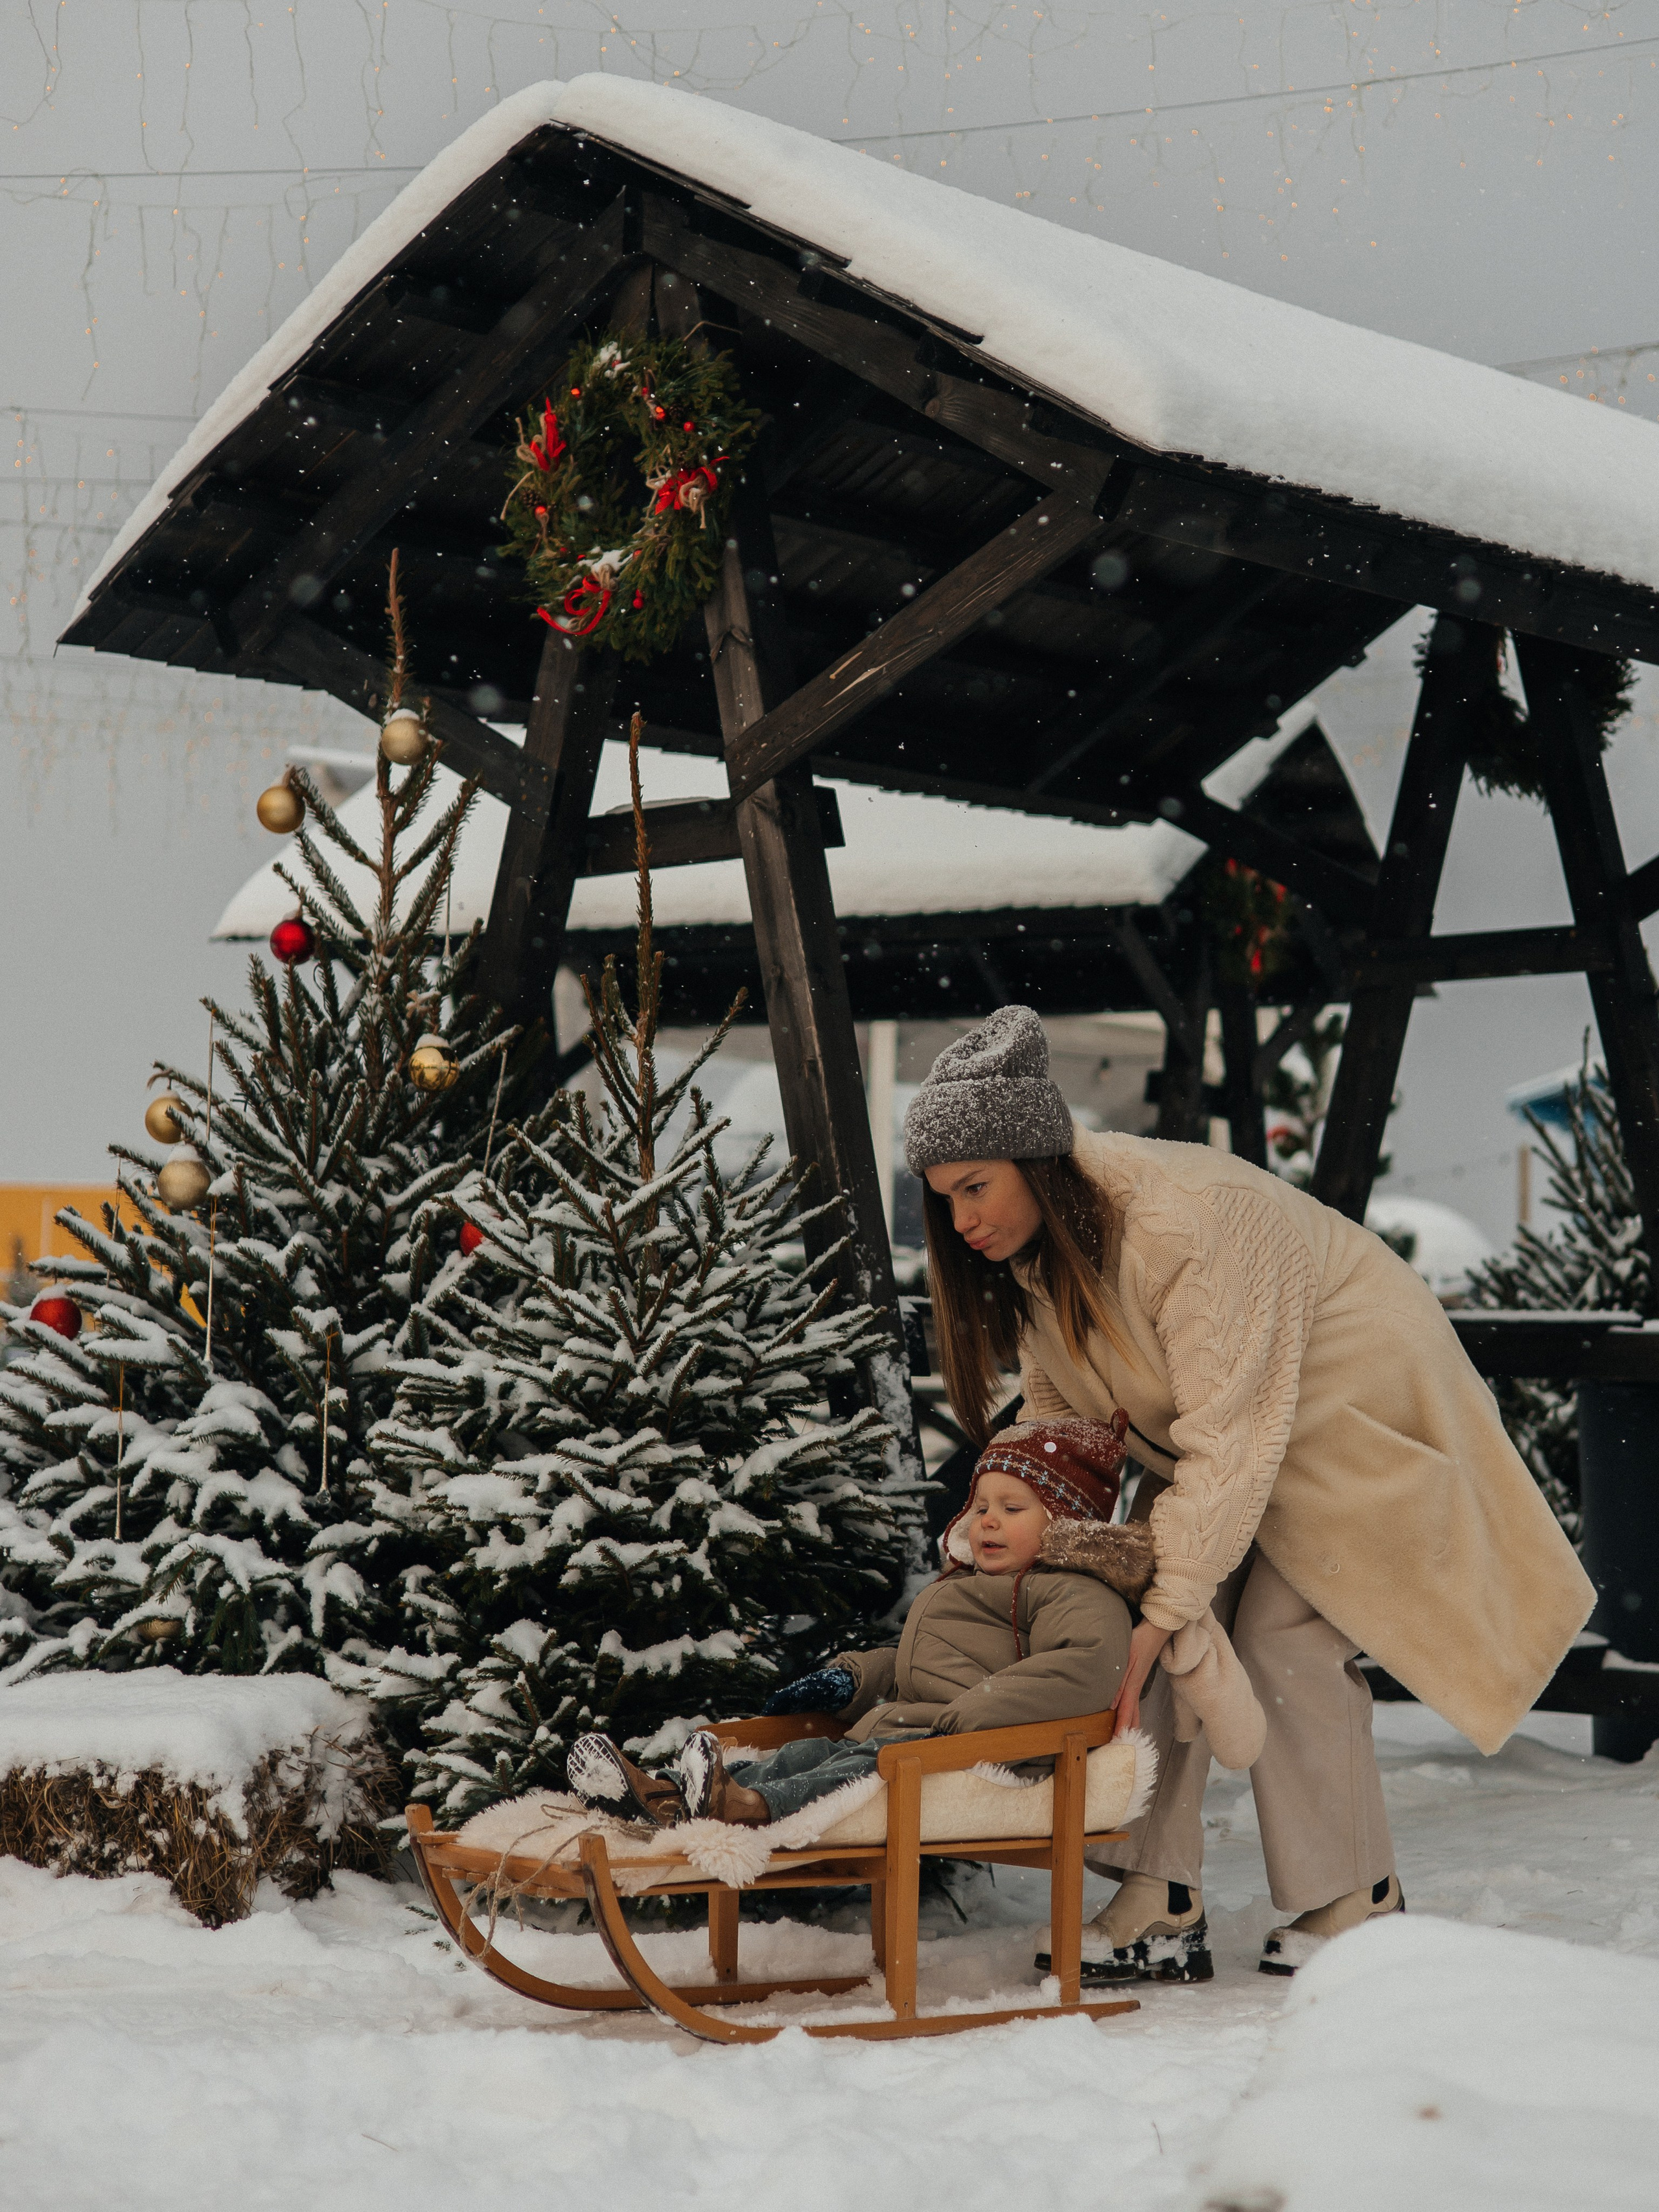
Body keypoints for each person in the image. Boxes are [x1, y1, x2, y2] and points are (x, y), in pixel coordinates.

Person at [905, 1004, 1595, 1982]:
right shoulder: (1041, 1261)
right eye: (946, 1199)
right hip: (1227, 1440)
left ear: (1037, 1159)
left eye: (976, 1187)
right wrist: (1032, 1533)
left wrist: (1162, 1608)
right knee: (1132, 1610)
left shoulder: (1187, 1223)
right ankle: (1154, 1892)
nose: (962, 1219)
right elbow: (1061, 1420)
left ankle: (1356, 1897)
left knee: (1278, 1638)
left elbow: (1232, 1440)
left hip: (1351, 1423)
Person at [568, 1418, 1138, 1835]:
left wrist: (971, 1714)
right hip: (911, 1732)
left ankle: (742, 1806)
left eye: (1012, 1509)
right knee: (807, 1753)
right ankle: (664, 1793)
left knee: (851, 1766)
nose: (988, 1521)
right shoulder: (971, 1583)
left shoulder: (1072, 1588)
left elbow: (1087, 1666)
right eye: (983, 1505)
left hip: (977, 1748)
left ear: (1065, 1523)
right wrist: (852, 1678)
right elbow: (920, 1662)